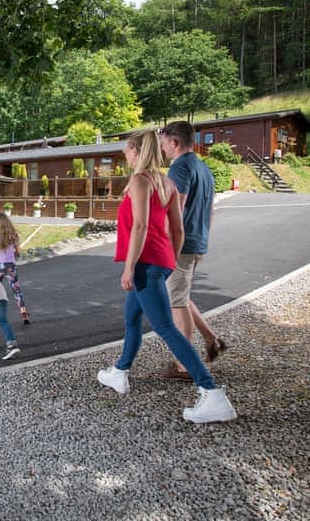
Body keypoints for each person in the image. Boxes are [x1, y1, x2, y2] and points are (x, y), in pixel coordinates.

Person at [96, 129, 236, 424]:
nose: (124, 154)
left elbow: (140, 227)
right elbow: (178, 229)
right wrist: (170, 260)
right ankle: (120, 373)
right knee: (132, 317)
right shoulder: (167, 182)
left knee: (165, 327)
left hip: (146, 263)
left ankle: (211, 393)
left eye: (126, 150)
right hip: (160, 260)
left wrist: (129, 267)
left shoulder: (139, 181)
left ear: (136, 151)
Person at [158, 121, 227, 381]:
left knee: (176, 303)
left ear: (175, 143)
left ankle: (183, 365)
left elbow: (176, 209)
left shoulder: (180, 167)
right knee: (182, 296)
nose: (163, 150)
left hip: (181, 245)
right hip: (198, 241)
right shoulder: (203, 167)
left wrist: (165, 242)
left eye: (164, 144)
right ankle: (212, 340)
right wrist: (203, 236)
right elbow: (211, 209)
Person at [0, 211, 31, 324]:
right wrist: (14, 255)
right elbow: (17, 251)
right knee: (16, 290)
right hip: (10, 266)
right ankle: (24, 312)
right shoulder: (13, 234)